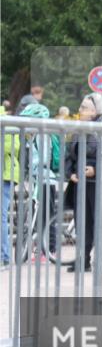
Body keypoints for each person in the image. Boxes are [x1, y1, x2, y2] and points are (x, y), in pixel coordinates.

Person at [64, 93, 102, 272]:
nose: (80, 110)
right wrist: (70, 173)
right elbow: (69, 155)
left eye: (84, 107)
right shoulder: (78, 129)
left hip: (99, 183)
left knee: (101, 221)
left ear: (95, 111)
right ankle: (83, 259)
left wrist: (97, 169)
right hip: (80, 183)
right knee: (82, 222)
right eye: (80, 106)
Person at [18, 103, 61, 258]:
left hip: (46, 179)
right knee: (39, 213)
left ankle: (49, 249)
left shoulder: (43, 135)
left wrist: (33, 166)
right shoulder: (36, 135)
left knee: (46, 215)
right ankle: (42, 248)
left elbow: (44, 158)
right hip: (39, 178)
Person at [1, 105, 20, 267]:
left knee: (1, 217)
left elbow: (12, 146)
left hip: (5, 175)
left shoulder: (7, 122)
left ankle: (4, 256)